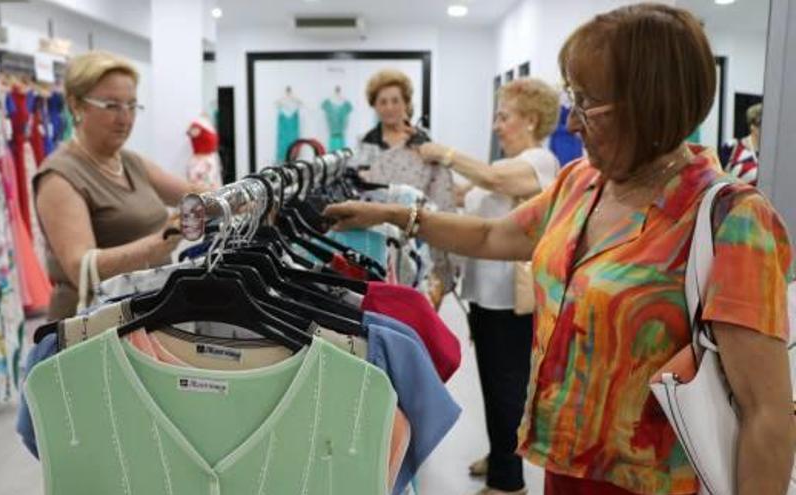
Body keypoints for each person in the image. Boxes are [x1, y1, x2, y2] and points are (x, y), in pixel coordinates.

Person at [325, 4, 795, 495]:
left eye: (588, 102)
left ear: (649, 103)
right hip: (563, 467)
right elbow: (492, 236)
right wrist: (390, 215)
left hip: (655, 482)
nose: (572, 124)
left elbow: (766, 410)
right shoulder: (582, 183)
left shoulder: (732, 219)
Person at [415, 77, 561, 495]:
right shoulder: (501, 166)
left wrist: (443, 153)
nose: (497, 125)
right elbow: (467, 194)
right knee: (494, 384)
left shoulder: (539, 162)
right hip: (486, 296)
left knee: (506, 387)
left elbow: (496, 184)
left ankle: (508, 483)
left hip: (509, 303)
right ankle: (502, 455)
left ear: (530, 119)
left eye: (504, 116)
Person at [34, 51, 207, 320]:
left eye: (131, 105)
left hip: (142, 315)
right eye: (112, 106)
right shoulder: (59, 176)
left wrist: (249, 197)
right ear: (76, 106)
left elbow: (194, 196)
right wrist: (158, 244)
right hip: (90, 331)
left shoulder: (129, 162)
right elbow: (80, 268)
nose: (125, 118)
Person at [357, 69, 456, 305]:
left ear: (406, 104)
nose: (389, 107)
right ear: (375, 106)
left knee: (424, 307)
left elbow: (442, 192)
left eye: (395, 101)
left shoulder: (424, 143)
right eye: (383, 101)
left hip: (422, 231)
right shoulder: (366, 144)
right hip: (381, 236)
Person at [721, 102, 762, 186]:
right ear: (752, 126)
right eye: (761, 124)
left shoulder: (773, 155)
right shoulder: (732, 147)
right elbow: (718, 178)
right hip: (734, 197)